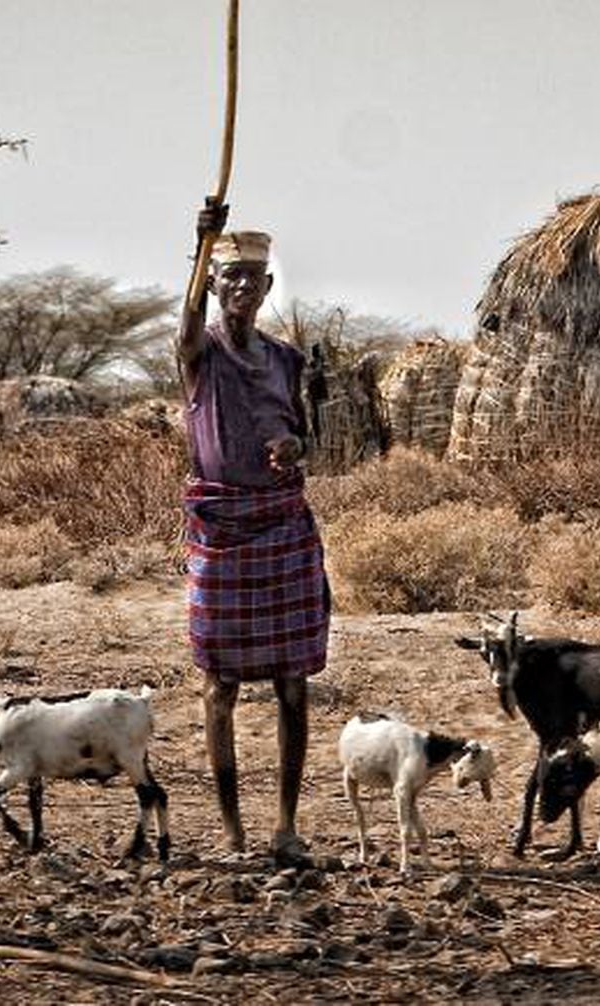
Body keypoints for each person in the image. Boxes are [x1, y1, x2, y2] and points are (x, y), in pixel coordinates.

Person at [178, 203, 331, 863]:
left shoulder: (284, 361)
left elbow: (304, 434)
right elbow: (183, 322)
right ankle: (233, 831)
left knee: (293, 684)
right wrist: (201, 244)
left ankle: (286, 827)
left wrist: (293, 448)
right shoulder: (200, 353)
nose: (241, 287)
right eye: (229, 276)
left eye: (252, 278)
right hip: (221, 529)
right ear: (215, 286)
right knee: (220, 685)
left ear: (268, 288)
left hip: (282, 525)